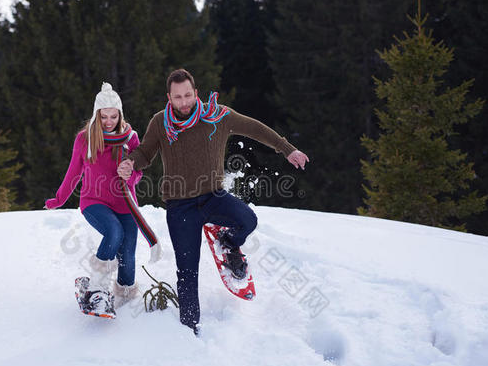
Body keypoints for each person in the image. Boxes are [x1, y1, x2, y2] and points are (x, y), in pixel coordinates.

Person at [117, 69, 309, 334]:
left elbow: (255, 128)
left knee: (247, 220)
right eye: (177, 97)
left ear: (196, 93)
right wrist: (130, 163)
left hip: (213, 197)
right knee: (187, 270)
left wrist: (287, 149)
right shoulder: (161, 122)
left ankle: (228, 243)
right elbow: (145, 153)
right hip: (179, 206)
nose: (183, 102)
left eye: (187, 95)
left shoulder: (217, 116)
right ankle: (189, 326)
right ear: (169, 98)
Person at [45, 82, 143, 317]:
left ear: (120, 115)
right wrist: (59, 199)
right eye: (104, 116)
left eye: (113, 116)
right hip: (94, 201)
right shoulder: (84, 139)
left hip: (125, 202)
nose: (109, 121)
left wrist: (130, 175)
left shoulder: (130, 139)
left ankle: (125, 296)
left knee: (128, 250)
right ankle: (97, 291)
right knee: (114, 232)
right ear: (96, 115)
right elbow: (73, 173)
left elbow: (138, 172)